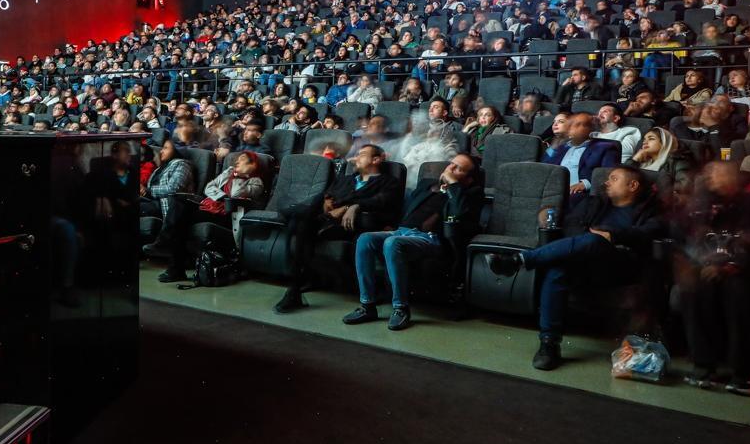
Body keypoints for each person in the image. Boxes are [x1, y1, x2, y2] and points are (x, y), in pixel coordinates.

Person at [494, 166, 664, 370]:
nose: (606, 182)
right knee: (559, 269)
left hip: (620, 267)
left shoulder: (650, 209)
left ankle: (519, 261)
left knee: (593, 241)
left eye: (614, 178)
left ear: (633, 185)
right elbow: (570, 225)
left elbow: (650, 232)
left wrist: (612, 236)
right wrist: (590, 238)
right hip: (584, 262)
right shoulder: (595, 203)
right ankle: (549, 343)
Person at [343, 154, 482, 330]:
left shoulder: (469, 193)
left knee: (393, 243)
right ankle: (367, 305)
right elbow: (409, 211)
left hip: (431, 238)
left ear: (468, 179)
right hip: (402, 231)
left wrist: (453, 186)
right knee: (365, 239)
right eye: (451, 164)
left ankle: (400, 308)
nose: (450, 169)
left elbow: (460, 215)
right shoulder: (427, 185)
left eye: (458, 169)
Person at [679, 161, 750, 395]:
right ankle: (703, 366)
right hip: (710, 266)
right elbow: (692, 237)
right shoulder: (704, 203)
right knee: (694, 288)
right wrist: (704, 263)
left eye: (717, 173)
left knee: (739, 293)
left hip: (747, 269)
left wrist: (728, 266)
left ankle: (743, 373)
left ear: (733, 176)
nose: (710, 177)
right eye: (709, 174)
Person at [276, 144, 399, 314]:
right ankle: (295, 289)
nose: (356, 158)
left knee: (300, 220)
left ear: (376, 159)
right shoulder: (346, 179)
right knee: (302, 221)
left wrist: (353, 206)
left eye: (362, 154)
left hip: (357, 225)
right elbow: (328, 194)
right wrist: (326, 200)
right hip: (329, 221)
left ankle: (296, 287)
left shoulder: (388, 182)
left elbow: (381, 202)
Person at [157, 151, 266, 283]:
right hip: (211, 208)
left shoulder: (256, 182)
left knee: (181, 216)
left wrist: (238, 176)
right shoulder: (229, 173)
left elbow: (236, 193)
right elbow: (208, 188)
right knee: (179, 204)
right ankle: (174, 265)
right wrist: (223, 192)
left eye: (242, 160)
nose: (236, 162)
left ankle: (167, 251)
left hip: (227, 216)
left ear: (253, 165)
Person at [140, 140, 195, 266]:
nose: (161, 151)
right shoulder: (160, 168)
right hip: (153, 202)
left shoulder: (182, 164)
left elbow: (174, 189)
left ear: (176, 151)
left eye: (166, 148)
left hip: (168, 206)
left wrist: (148, 191)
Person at [541, 112, 620, 197]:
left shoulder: (604, 148)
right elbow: (544, 167)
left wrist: (585, 184)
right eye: (571, 124)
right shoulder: (562, 147)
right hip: (552, 192)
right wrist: (554, 147)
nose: (572, 127)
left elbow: (610, 173)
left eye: (578, 124)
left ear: (590, 129)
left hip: (579, 195)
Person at [626, 127, 696, 195]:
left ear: (665, 143)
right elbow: (624, 179)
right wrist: (634, 160)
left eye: (651, 139)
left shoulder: (678, 160)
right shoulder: (641, 161)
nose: (645, 142)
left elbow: (685, 187)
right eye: (644, 139)